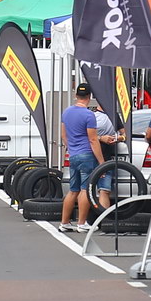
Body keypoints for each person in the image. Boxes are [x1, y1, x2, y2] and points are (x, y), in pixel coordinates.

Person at [59, 84, 107, 232]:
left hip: (73, 155)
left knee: (73, 190)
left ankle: (64, 222)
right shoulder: (88, 115)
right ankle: (81, 223)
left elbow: (63, 136)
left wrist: (72, 148)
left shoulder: (66, 112)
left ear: (76, 96)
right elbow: (93, 140)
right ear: (89, 97)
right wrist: (101, 162)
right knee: (85, 189)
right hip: (86, 155)